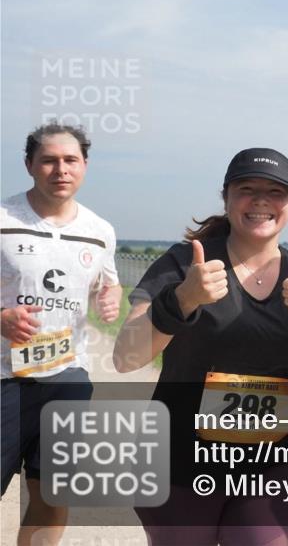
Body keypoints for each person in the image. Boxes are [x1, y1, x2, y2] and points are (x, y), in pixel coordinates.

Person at [113, 148, 288, 546]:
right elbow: (125, 357)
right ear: (225, 198)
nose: (261, 200)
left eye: (276, 192)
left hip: (271, 461)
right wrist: (181, 300)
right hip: (181, 460)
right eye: (247, 189)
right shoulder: (184, 265)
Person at [1, 123, 121, 546]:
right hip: (5, 379)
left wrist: (110, 297)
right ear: (30, 165)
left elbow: (109, 283)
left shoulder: (100, 230)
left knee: (53, 490)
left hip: (68, 377)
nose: (60, 169)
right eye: (49, 160)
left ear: (84, 166)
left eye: (70, 160)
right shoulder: (2, 220)